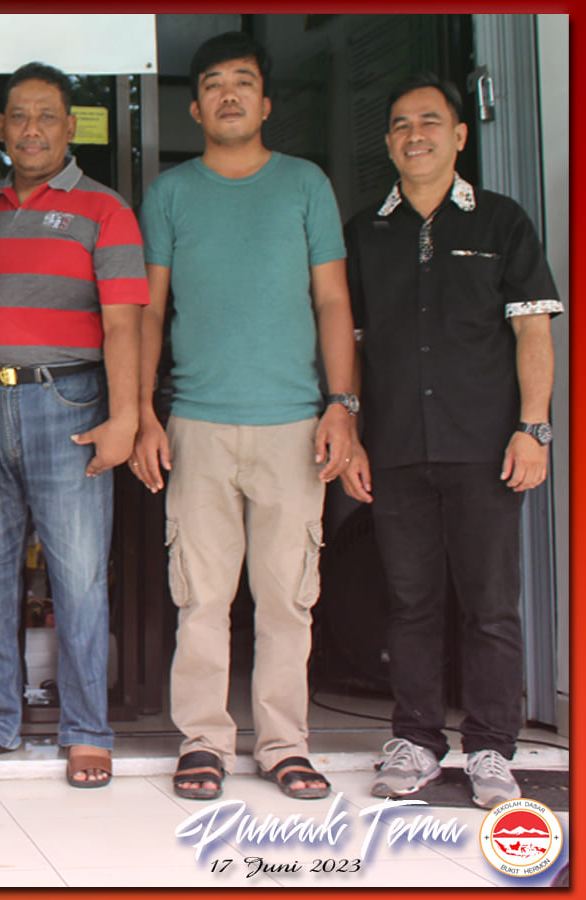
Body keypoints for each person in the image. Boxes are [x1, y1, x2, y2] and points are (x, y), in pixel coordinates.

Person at [131, 32, 357, 801]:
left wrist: (342, 405)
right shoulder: (170, 194)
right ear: (195, 108)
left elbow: (333, 300)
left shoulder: (305, 185)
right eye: (214, 84)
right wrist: (144, 411)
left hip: (295, 424)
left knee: (288, 597)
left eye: (244, 82)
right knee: (201, 596)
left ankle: (285, 743)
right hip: (196, 421)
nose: (229, 95)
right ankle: (204, 740)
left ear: (266, 102)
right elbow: (150, 310)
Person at [341, 74, 562, 809]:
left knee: (490, 604)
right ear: (387, 142)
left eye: (431, 122)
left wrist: (533, 428)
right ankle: (416, 741)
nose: (416, 136)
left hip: (484, 446)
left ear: (460, 135)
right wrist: (354, 435)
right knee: (410, 601)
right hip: (397, 446)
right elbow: (353, 344)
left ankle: (492, 749)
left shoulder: (501, 222)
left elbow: (532, 330)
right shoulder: (365, 231)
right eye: (402, 125)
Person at [0, 62, 146, 787]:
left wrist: (126, 416)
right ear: (2, 128)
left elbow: (124, 324)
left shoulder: (105, 210)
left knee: (79, 577)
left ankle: (87, 729)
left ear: (69, 127)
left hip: (70, 404)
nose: (32, 130)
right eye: (19, 117)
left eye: (47, 116)